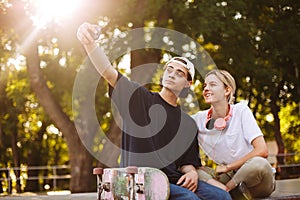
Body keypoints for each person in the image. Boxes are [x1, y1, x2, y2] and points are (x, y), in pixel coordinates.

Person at [77, 22, 232, 200]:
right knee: (190, 199)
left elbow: (186, 163)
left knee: (222, 197)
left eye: (180, 73)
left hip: (173, 182)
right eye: (169, 70)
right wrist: (89, 43)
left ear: (188, 84)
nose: (172, 74)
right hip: (141, 181)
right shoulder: (139, 99)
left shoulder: (188, 124)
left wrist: (192, 173)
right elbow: (109, 73)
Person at [192, 69, 276, 199]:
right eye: (205, 86)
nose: (206, 89)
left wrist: (228, 167)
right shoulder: (197, 119)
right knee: (192, 171)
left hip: (256, 180)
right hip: (229, 177)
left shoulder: (241, 110)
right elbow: (175, 125)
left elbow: (262, 150)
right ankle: (229, 191)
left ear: (227, 91)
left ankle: (225, 190)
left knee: (260, 164)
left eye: (212, 85)